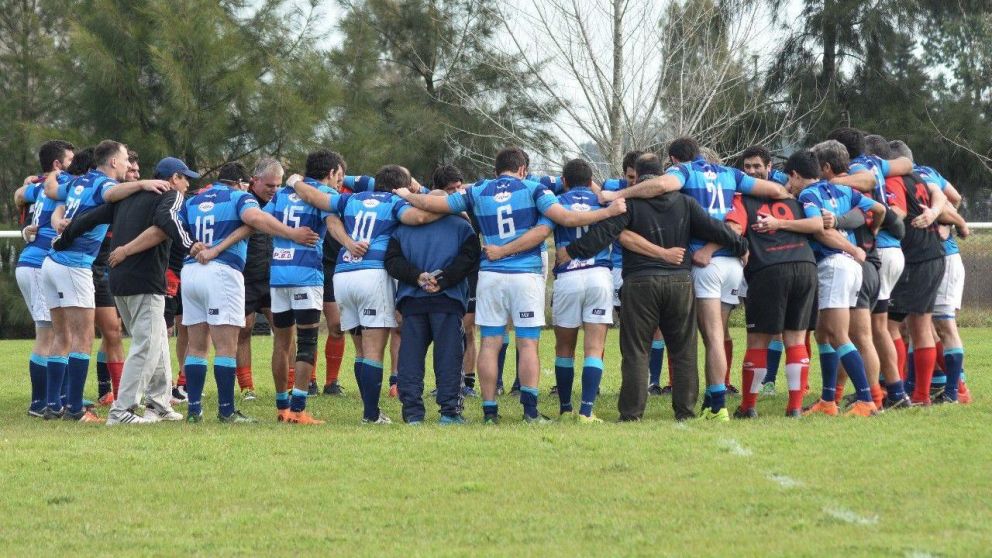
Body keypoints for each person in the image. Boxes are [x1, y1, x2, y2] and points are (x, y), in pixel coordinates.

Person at [393, 147, 626, 424]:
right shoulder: (534, 189)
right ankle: (529, 412)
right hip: (524, 276)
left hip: (491, 276)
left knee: (490, 342)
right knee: (527, 344)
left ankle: (490, 411)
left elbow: (436, 205)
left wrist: (408, 195)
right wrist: (608, 211)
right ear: (523, 170)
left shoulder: (478, 190)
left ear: (495, 170)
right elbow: (566, 218)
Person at [602, 138, 789, 419]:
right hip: (732, 261)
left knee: (708, 337)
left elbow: (661, 186)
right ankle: (716, 397)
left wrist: (618, 196)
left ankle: (717, 404)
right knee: (721, 333)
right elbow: (776, 190)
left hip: (705, 263)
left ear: (675, 161)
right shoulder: (731, 174)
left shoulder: (685, 172)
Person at [563, 152, 747, 421]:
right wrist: (741, 246)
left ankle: (632, 413)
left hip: (640, 282)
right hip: (679, 282)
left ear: (637, 176)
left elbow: (604, 233)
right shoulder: (685, 202)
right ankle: (685, 411)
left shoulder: (630, 203)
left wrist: (573, 251)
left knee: (637, 349)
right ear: (663, 174)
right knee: (683, 349)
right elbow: (715, 228)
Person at [288, 164, 442, 424]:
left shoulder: (350, 199)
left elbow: (317, 199)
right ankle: (371, 415)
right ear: (399, 186)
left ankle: (370, 411)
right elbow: (420, 218)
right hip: (373, 275)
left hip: (344, 274)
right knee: (373, 350)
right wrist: (452, 209)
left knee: (360, 350)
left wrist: (294, 182)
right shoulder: (395, 202)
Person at [53, 156, 202, 424]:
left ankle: (158, 403)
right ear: (172, 179)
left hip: (119, 280)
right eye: (185, 178)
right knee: (147, 344)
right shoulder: (171, 195)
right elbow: (166, 221)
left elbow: (89, 218)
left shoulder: (127, 197)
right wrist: (190, 244)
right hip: (144, 279)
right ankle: (122, 410)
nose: (187, 185)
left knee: (157, 340)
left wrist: (62, 240)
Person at [40, 140, 171, 422]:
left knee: (61, 335)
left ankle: (53, 405)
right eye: (126, 160)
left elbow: (52, 192)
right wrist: (142, 184)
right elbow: (113, 194)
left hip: (50, 263)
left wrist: (56, 218)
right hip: (73, 266)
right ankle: (75, 409)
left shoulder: (79, 180)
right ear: (113, 162)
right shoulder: (102, 184)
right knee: (83, 338)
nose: (128, 166)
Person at [179, 162, 319, 423]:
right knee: (226, 347)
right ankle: (226, 411)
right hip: (221, 272)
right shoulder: (239, 197)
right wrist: (291, 233)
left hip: (191, 272)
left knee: (196, 346)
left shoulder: (194, 200)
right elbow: (254, 219)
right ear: (244, 182)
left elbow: (179, 229)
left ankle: (194, 410)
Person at [786, 150, 886, 418]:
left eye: (789, 179)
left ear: (795, 175)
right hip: (851, 267)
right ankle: (828, 399)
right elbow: (879, 209)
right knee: (823, 333)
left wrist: (783, 223)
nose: (789, 185)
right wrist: (871, 232)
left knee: (840, 335)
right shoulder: (841, 191)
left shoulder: (808, 195)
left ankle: (866, 400)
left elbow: (820, 229)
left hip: (835, 264)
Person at [384, 188, 481, 424]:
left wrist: (417, 276)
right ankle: (449, 412)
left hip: (412, 301)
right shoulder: (462, 227)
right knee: (448, 356)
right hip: (447, 301)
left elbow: (392, 262)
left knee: (410, 357)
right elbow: (469, 258)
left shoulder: (402, 228)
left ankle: (413, 414)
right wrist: (444, 280)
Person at [723, 187, 820, 418]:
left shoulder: (742, 200)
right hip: (805, 265)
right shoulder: (794, 199)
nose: (751, 171)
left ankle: (748, 407)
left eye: (754, 166)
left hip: (769, 268)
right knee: (796, 339)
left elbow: (734, 228)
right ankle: (795, 407)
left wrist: (738, 247)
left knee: (758, 341)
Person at [895, 141, 971, 403]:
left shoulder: (918, 178)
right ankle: (923, 386)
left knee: (943, 324)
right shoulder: (926, 173)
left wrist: (946, 224)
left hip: (944, 257)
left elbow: (952, 204)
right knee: (917, 324)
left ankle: (956, 390)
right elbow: (955, 197)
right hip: (927, 258)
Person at [881, 147, 949, 405]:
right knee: (920, 326)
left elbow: (897, 211)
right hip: (933, 254)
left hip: (917, 259)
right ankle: (932, 390)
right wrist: (935, 214)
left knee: (890, 326)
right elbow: (941, 195)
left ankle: (899, 390)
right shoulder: (919, 178)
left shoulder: (893, 179)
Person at [549, 159, 615, 422]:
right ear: (591, 182)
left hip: (568, 277)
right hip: (599, 274)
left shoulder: (556, 202)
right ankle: (586, 411)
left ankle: (565, 409)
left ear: (564, 181)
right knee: (594, 347)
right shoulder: (604, 202)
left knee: (564, 347)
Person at [13, 140, 74, 417]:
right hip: (37, 264)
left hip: (33, 263)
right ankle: (40, 403)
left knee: (55, 332)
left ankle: (57, 397)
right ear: (58, 165)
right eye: (71, 161)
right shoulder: (60, 186)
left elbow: (18, 194)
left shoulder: (39, 185)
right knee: (47, 333)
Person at [738, 145, 788, 397]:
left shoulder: (784, 191)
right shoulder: (742, 194)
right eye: (747, 167)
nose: (752, 171)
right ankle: (758, 384)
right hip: (754, 268)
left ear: (769, 167)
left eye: (757, 166)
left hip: (781, 265)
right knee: (755, 328)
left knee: (781, 328)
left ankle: (769, 380)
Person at [235, 157, 283, 401]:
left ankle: (287, 385)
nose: (274, 190)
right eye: (270, 186)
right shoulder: (242, 200)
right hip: (246, 278)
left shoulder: (283, 202)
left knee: (284, 331)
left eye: (278, 185)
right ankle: (247, 388)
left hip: (275, 277)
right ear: (255, 181)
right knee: (243, 330)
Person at [432, 164, 480, 398]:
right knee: (445, 330)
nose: (456, 194)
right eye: (451, 190)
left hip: (469, 272)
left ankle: (468, 383)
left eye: (459, 188)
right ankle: (445, 382)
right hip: (441, 273)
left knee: (467, 328)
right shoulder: (430, 208)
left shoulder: (470, 205)